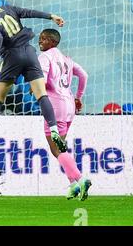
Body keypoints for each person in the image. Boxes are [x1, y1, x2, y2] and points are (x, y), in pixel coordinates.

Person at [0, 0, 68, 154]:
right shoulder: (7, 8)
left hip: (12, 56)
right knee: (42, 95)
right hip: (29, 51)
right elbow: (29, 12)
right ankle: (54, 129)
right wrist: (51, 16)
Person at [38, 29, 91, 200]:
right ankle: (73, 184)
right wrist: (79, 97)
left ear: (53, 41)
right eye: (40, 38)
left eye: (44, 39)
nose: (40, 41)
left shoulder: (45, 58)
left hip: (54, 106)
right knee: (60, 146)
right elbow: (84, 75)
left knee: (56, 148)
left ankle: (80, 179)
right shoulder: (67, 59)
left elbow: (43, 81)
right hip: (69, 104)